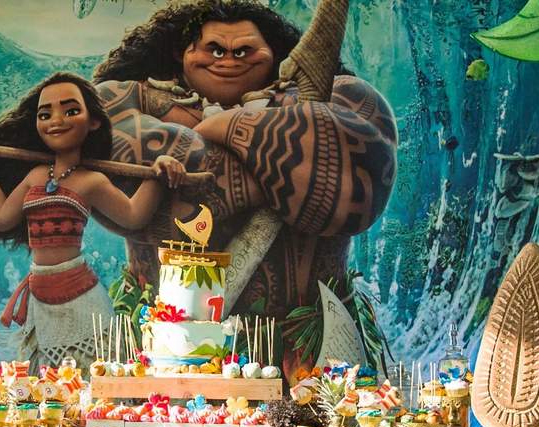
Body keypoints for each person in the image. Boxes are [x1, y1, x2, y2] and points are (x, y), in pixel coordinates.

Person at [92, 0, 398, 375]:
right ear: (180, 53)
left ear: (275, 53)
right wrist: (287, 161)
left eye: (243, 51)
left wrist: (223, 128)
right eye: (214, 49)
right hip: (165, 359)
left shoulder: (348, 96)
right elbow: (141, 200)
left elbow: (349, 193)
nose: (228, 60)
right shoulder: (118, 99)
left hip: (306, 357)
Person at [0, 72, 185, 367]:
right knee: (43, 381)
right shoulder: (35, 176)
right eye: (45, 114)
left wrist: (158, 173)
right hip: (41, 299)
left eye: (71, 111)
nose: (56, 120)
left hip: (82, 299)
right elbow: (2, 218)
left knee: (88, 375)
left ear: (93, 122)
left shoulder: (91, 181)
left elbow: (133, 216)